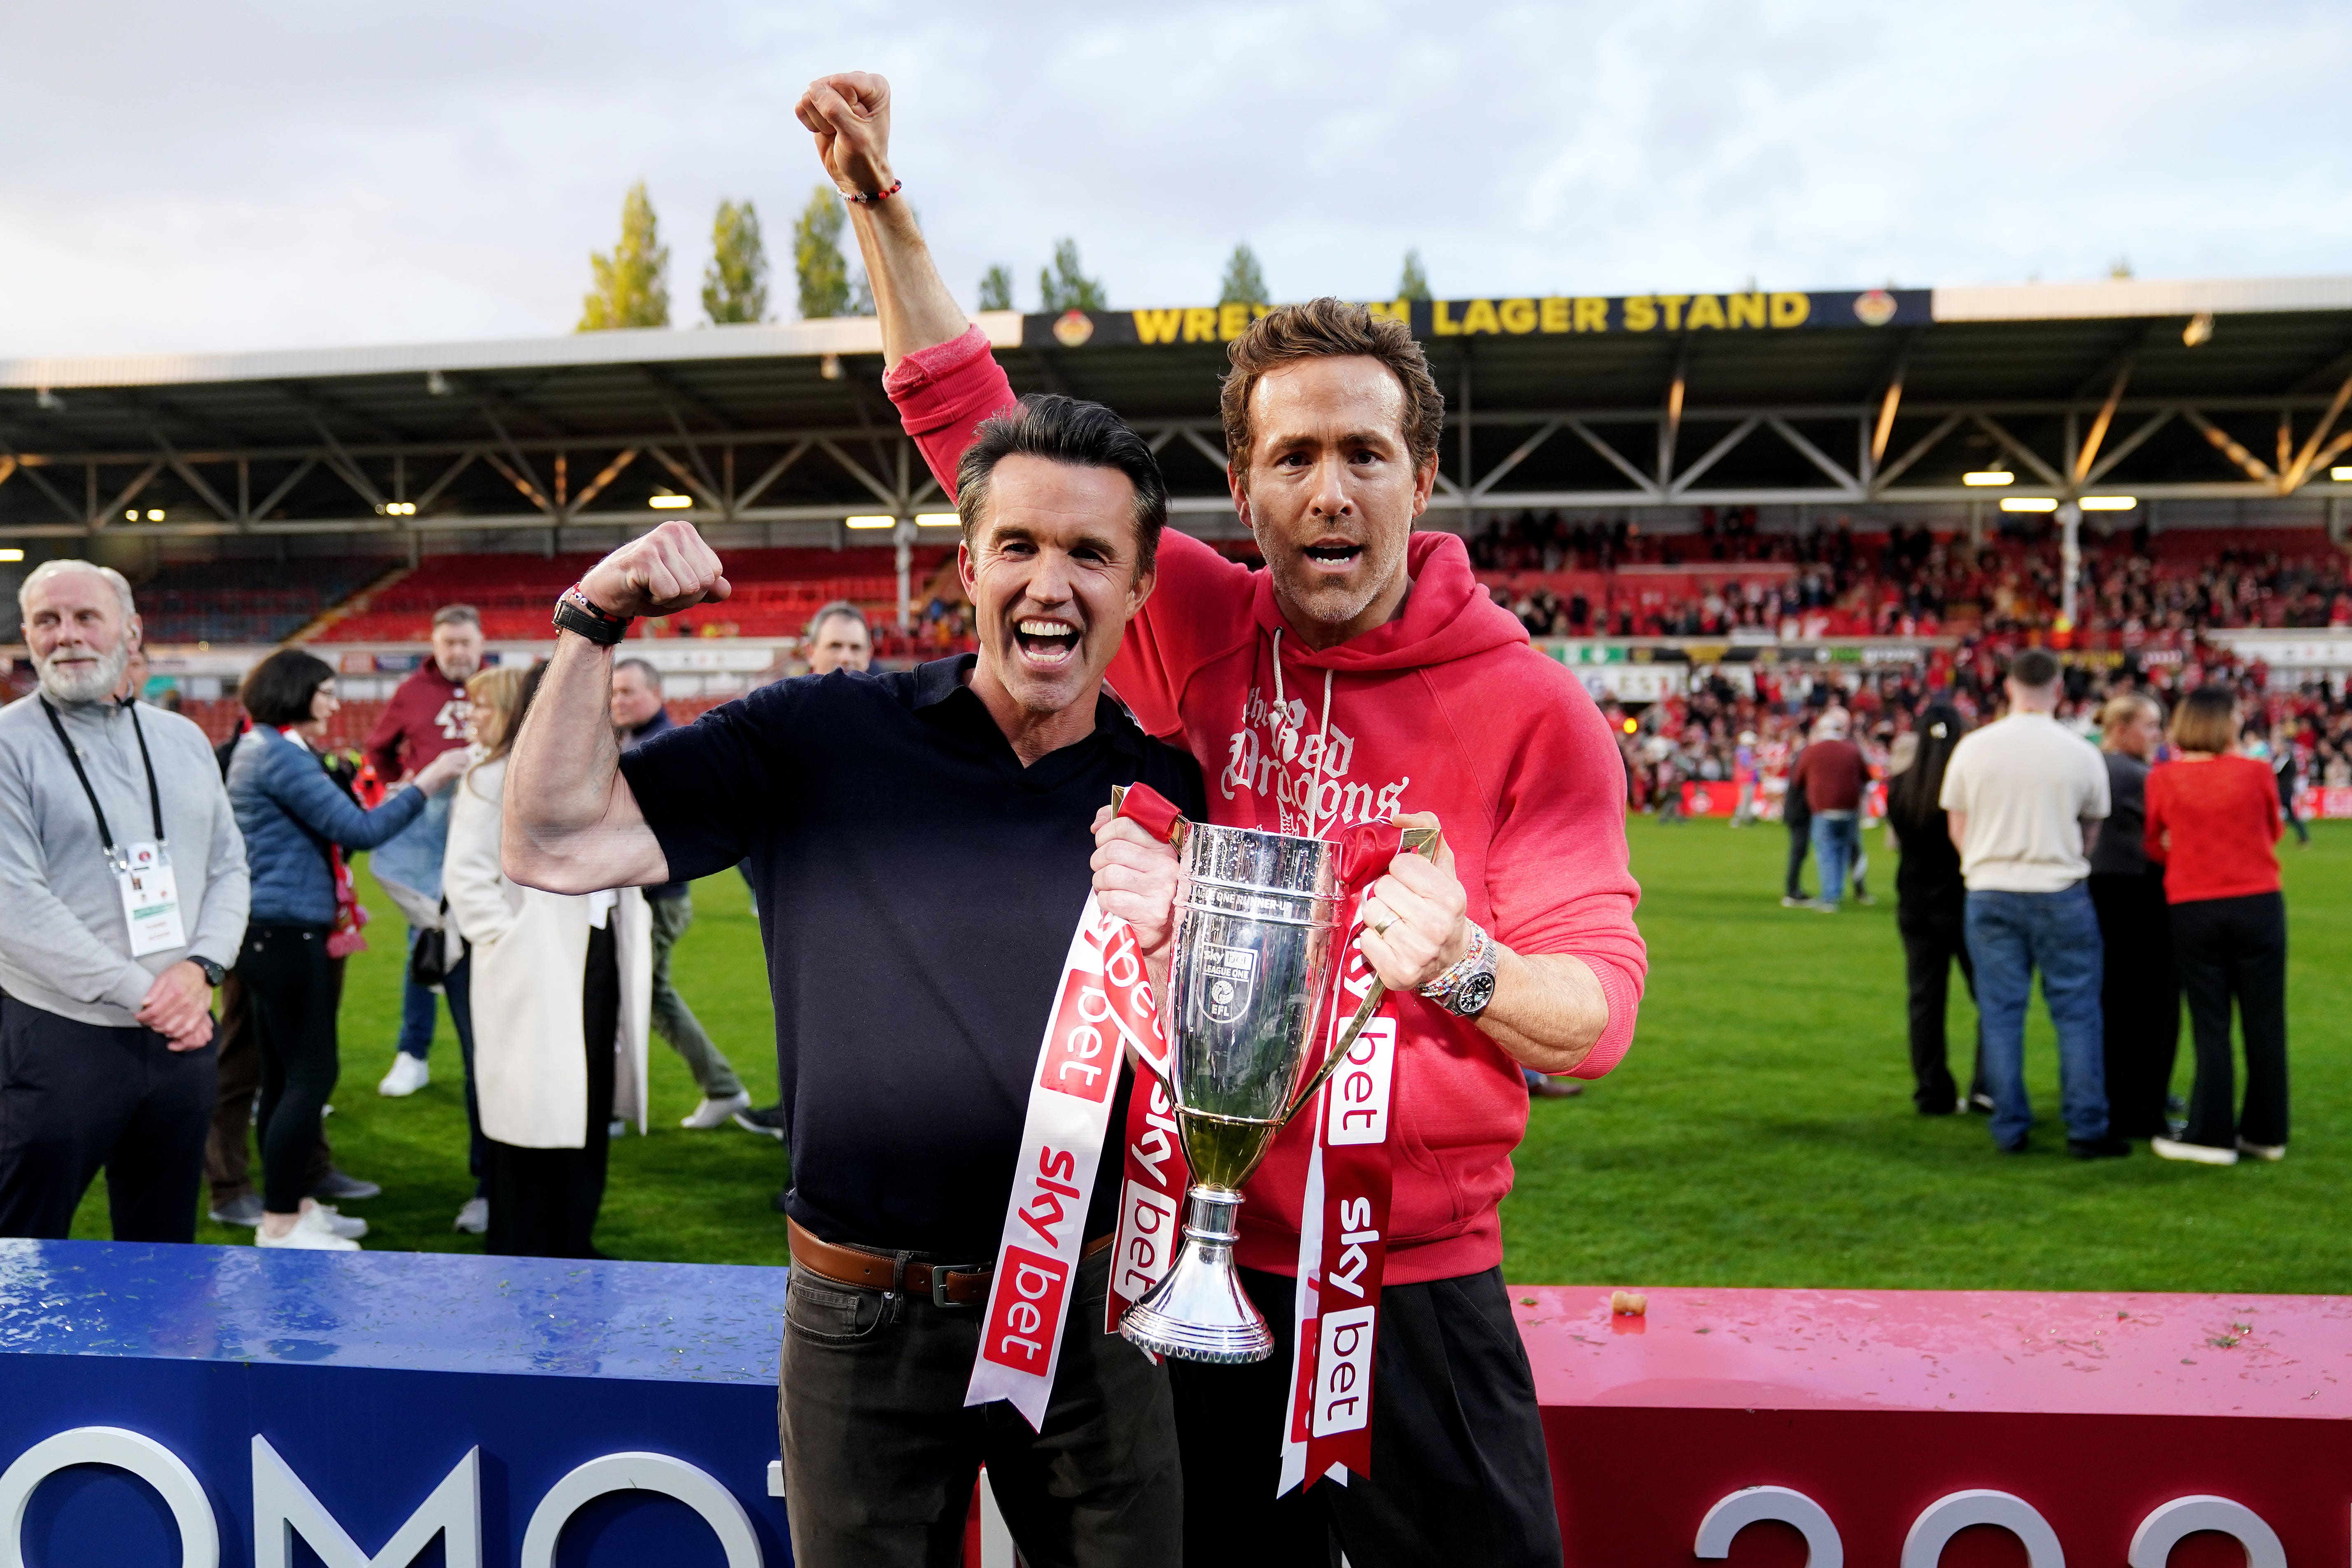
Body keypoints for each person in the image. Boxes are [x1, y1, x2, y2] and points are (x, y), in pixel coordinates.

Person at [825, 69, 1645, 1565]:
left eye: (1362, 454)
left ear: (1423, 476)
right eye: (1292, 458)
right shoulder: (1193, 616)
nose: (1328, 492)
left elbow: (1594, 1017)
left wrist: (1463, 961)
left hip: (1416, 1297)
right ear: (1242, 487)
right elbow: (972, 429)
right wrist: (882, 207)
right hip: (1178, 1276)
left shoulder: (1534, 707)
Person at [502, 402, 1199, 1560]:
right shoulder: (821, 736)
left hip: (1093, 1317)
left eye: (1090, 553)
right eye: (1020, 546)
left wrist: (1183, 946)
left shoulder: (1172, 799)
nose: (1050, 583)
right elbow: (552, 841)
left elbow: (1225, 1073)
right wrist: (593, 619)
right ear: (968, 567)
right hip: (863, 1319)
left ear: (1137, 588)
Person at [0, 560, 249, 1241]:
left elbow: (230, 866)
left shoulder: (184, 739)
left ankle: (155, 1351)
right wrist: (150, 992)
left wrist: (201, 969)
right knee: (22, 1240)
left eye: (86, 617)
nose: (67, 635)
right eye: (47, 621)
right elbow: (13, 905)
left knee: (162, 1243)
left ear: (130, 631)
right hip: (59, 1036)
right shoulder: (8, 743)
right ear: (27, 634)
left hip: (184, 1032)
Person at [226, 649, 468, 1249]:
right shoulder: (278, 754)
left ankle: (294, 1204)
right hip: (285, 930)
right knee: (309, 1074)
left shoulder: (269, 748)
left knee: (284, 1075)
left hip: (272, 926)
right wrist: (428, 783)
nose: (335, 703)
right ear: (295, 691)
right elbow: (359, 829)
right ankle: (281, 1220)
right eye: (326, 691)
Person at [445, 662, 651, 1257]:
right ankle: (521, 1244)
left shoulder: (611, 773)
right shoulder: (493, 776)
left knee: (587, 1100)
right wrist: (509, 942)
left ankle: (573, 1238)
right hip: (532, 965)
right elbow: (466, 877)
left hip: (599, 949)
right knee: (529, 1111)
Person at [1939, 648, 2122, 1158]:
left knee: (2000, 1013)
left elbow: (1958, 826)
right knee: (2077, 1012)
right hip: (2059, 889)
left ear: (2008, 688)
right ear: (2058, 689)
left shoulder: (1974, 748)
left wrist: (1985, 861)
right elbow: (2092, 829)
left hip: (1991, 888)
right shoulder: (2079, 751)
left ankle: (2009, 1125)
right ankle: (2087, 1126)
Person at [734, 602, 875, 1146]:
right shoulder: (777, 726)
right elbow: (745, 820)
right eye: (835, 646)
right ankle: (808, 1174)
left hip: (877, 925)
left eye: (856, 648)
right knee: (808, 1048)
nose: (845, 658)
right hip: (805, 926)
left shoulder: (905, 724)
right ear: (810, 652)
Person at [2145, 688, 2289, 1167]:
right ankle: (2266, 1132)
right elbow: (2274, 829)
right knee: (2265, 1023)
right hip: (2258, 901)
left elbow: (2154, 844)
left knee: (2211, 1024)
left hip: (2195, 905)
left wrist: (2184, 853)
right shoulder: (2256, 772)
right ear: (2227, 723)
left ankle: (2212, 1133)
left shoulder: (2164, 779)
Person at [610, 656, 749, 1128]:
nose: (619, 700)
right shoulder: (636, 740)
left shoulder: (663, 747)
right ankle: (722, 1088)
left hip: (656, 901)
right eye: (614, 692)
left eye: (629, 691)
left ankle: (719, 1088)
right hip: (649, 898)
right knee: (643, 996)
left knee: (634, 997)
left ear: (656, 694)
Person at [363, 603, 484, 1097]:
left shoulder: (502, 686)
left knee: (493, 941)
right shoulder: (412, 692)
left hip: (491, 831)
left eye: (465, 642)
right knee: (427, 939)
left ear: (481, 644)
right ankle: (413, 1052)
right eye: (448, 642)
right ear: (435, 646)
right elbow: (378, 751)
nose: (458, 651)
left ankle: (493, 1050)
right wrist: (406, 789)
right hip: (430, 840)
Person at [2088, 691, 2179, 1141]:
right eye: (2149, 725)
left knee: (2111, 1000)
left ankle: (2114, 1093)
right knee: (2151, 1004)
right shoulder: (2136, 774)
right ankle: (2144, 1103)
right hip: (2139, 897)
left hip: (2100, 894)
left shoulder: (2093, 765)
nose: (2156, 734)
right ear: (2121, 728)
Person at [1885, 702, 1982, 1115]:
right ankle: (1987, 1086)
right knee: (1990, 997)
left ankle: (1932, 1089)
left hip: (1916, 903)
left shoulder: (1901, 787)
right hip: (1962, 899)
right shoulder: (1969, 787)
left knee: (1925, 999)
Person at [1792, 710, 1868, 911]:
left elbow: (1798, 780)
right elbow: (1867, 775)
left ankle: (1830, 897)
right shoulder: (1852, 750)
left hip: (1823, 810)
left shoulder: (1812, 751)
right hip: (1849, 810)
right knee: (1843, 852)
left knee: (1826, 853)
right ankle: (1837, 892)